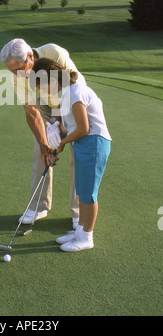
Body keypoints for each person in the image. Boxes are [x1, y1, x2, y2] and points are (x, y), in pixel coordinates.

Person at [0, 39, 86, 228]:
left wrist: (59, 123)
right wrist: (44, 145)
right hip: (47, 104)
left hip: (74, 102)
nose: (16, 74)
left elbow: (70, 87)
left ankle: (80, 211)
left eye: (19, 69)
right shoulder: (17, 76)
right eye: (11, 71)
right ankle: (38, 206)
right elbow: (31, 112)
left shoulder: (53, 53)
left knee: (78, 152)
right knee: (41, 152)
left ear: (30, 56)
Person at [32, 57, 112, 252]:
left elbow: (84, 128)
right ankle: (79, 232)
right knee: (82, 191)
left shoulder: (76, 92)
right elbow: (70, 129)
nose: (43, 90)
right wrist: (56, 147)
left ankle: (87, 237)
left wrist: (62, 142)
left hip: (93, 143)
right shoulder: (66, 94)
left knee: (88, 194)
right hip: (84, 144)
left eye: (42, 85)